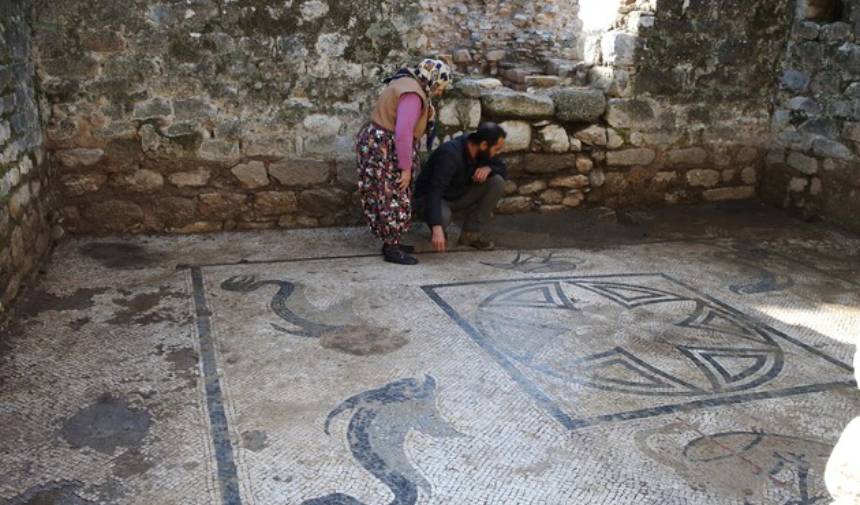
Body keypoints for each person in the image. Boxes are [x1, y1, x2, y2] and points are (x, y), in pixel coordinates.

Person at [355, 58, 452, 265]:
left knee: (388, 192)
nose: (439, 92)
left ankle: (393, 241)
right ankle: (391, 247)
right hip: (386, 147)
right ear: (433, 80)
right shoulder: (412, 94)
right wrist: (405, 168)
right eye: (440, 87)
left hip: (379, 143)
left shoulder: (407, 81)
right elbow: (403, 133)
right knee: (393, 194)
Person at [415, 122, 507, 252]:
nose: (497, 153)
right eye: (496, 149)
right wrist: (437, 228)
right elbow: (434, 192)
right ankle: (439, 229)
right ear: (484, 145)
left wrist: (489, 168)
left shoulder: (482, 151)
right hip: (432, 199)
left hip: (459, 194)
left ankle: (470, 234)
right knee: (442, 218)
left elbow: (502, 168)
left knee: (497, 182)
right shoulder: (450, 154)